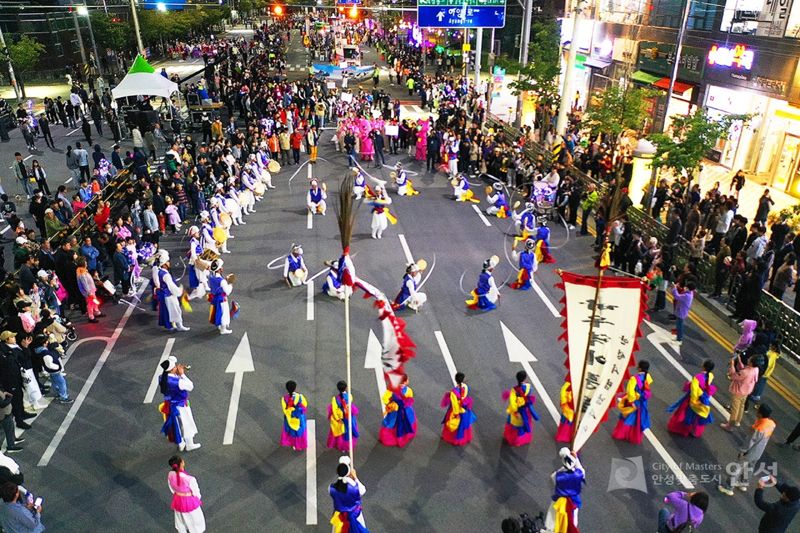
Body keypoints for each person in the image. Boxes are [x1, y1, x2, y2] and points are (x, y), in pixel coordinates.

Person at [719, 404, 776, 495]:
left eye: (758, 411)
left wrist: (742, 452)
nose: (756, 412)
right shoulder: (772, 424)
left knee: (737, 468)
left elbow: (749, 442)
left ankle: (728, 487)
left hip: (750, 452)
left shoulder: (758, 428)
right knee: (750, 467)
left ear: (760, 414)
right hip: (759, 452)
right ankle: (743, 483)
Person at [159, 355, 201, 452]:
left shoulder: (162, 377)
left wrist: (176, 373)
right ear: (172, 369)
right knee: (187, 424)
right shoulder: (177, 382)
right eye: (174, 367)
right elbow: (190, 386)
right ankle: (189, 444)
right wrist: (182, 374)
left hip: (171, 404)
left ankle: (180, 442)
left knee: (176, 425)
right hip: (181, 405)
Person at [666, 359, 716, 438]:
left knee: (686, 414)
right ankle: (694, 431)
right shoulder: (710, 376)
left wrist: (693, 402)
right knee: (697, 416)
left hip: (693, 400)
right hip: (702, 400)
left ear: (703, 366)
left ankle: (683, 429)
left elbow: (694, 391)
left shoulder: (698, 377)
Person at [544, 448, 585, 533]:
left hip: (559, 500)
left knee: (553, 517)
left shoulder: (557, 475)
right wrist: (576, 458)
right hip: (573, 501)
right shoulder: (580, 473)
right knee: (573, 518)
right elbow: (580, 468)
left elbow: (553, 478)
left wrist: (563, 468)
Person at [611, 360, 652, 444]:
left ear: (639, 368)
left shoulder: (634, 379)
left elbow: (630, 391)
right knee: (638, 419)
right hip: (642, 402)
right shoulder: (648, 376)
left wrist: (631, 401)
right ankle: (634, 436)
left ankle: (620, 434)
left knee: (625, 417)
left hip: (634, 401)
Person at [329, 457, 369, 533]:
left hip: (340, 515)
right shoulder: (355, 486)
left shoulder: (331, 487)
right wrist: (355, 477)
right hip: (355, 514)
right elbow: (363, 490)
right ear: (349, 472)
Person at [167, 455, 206, 533]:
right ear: (181, 463)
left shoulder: (170, 474)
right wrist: (196, 500)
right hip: (189, 501)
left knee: (180, 519)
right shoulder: (189, 479)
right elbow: (196, 493)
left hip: (177, 499)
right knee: (194, 520)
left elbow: (171, 488)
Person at [721, 354, 759, 431]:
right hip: (746, 391)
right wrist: (740, 362)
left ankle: (729, 426)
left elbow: (733, 375)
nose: (748, 359)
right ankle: (737, 421)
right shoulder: (756, 369)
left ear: (751, 363)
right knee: (741, 406)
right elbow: (744, 370)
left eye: (750, 359)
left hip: (739, 391)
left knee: (735, 409)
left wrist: (732, 365)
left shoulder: (745, 372)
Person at [502, 370, 540, 447]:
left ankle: (515, 440)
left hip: (517, 411)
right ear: (525, 378)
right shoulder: (529, 387)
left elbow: (513, 403)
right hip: (526, 410)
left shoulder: (514, 390)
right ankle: (520, 440)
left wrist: (515, 411)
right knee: (523, 425)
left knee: (514, 425)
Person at [378, 374, 417, 448]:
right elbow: (385, 398)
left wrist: (406, 403)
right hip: (395, 411)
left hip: (404, 410)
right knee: (391, 423)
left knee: (407, 421)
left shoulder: (408, 390)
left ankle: (402, 436)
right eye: (401, 383)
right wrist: (390, 404)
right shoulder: (392, 390)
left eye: (404, 382)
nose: (402, 384)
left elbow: (410, 399)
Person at [155, 251, 190, 332]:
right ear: (164, 264)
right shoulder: (166, 275)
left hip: (165, 295)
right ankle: (179, 326)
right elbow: (171, 287)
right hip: (169, 296)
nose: (169, 263)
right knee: (175, 310)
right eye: (167, 261)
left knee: (170, 311)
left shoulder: (160, 272)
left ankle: (175, 325)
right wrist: (179, 290)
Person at [440, 372, 476, 446]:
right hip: (464, 409)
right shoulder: (465, 387)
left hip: (457, 410)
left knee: (453, 424)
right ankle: (464, 438)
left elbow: (455, 404)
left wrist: (456, 414)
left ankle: (453, 439)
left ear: (456, 380)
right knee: (464, 425)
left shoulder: (454, 392)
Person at [327, 381, 359, 452]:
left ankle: (342, 447)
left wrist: (337, 419)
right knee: (350, 430)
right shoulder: (349, 396)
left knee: (341, 432)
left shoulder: (335, 399)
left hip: (341, 418)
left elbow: (334, 410)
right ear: (346, 388)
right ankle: (348, 446)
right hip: (349, 416)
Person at [207, 259, 233, 335]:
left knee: (217, 312)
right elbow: (227, 291)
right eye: (221, 267)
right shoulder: (222, 281)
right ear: (219, 269)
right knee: (224, 313)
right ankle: (223, 329)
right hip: (222, 299)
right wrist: (230, 284)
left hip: (215, 298)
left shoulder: (211, 277)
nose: (222, 268)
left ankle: (220, 325)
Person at [280, 380, 308, 451]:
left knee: (292, 431)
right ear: (295, 388)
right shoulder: (300, 397)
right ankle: (300, 444)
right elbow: (305, 404)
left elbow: (285, 410)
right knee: (300, 430)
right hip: (299, 417)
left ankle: (294, 444)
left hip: (289, 418)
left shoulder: (284, 399)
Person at [0, 384, 23, 453]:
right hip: (4, 414)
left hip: (6, 412)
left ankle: (13, 439)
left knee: (11, 427)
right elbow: (2, 404)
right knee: (8, 429)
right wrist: (10, 398)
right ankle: (11, 446)